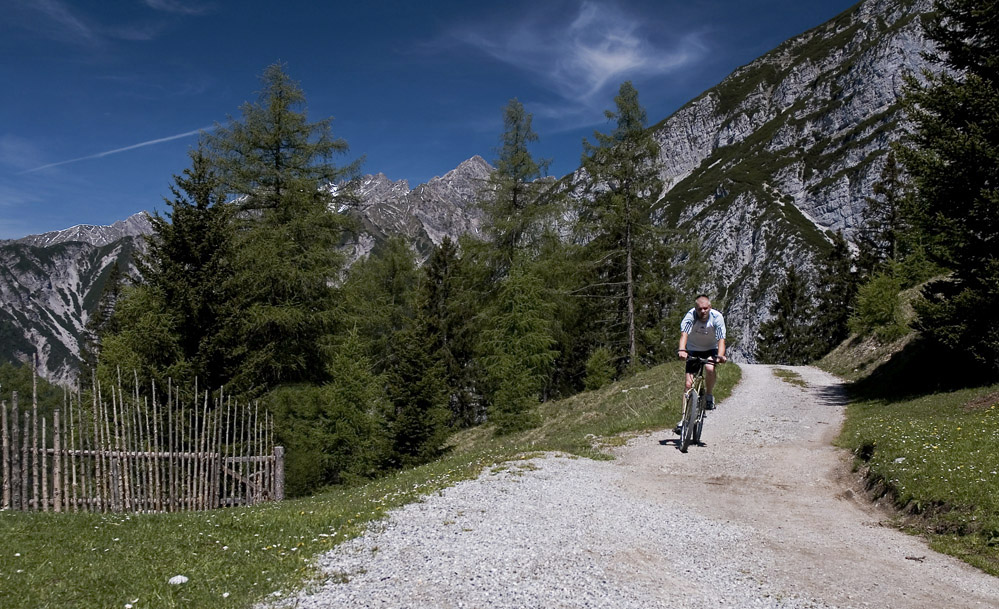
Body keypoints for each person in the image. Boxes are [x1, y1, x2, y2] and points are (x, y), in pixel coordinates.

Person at [674, 295, 726, 434]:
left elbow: (721, 339)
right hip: (693, 349)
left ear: (710, 307)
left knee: (709, 368)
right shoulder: (690, 316)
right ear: (695, 308)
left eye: (705, 308)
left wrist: (720, 356)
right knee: (688, 385)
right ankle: (683, 418)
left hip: (710, 349)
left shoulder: (717, 317)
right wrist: (682, 350)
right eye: (699, 309)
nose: (702, 311)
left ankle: (708, 395)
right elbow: (684, 334)